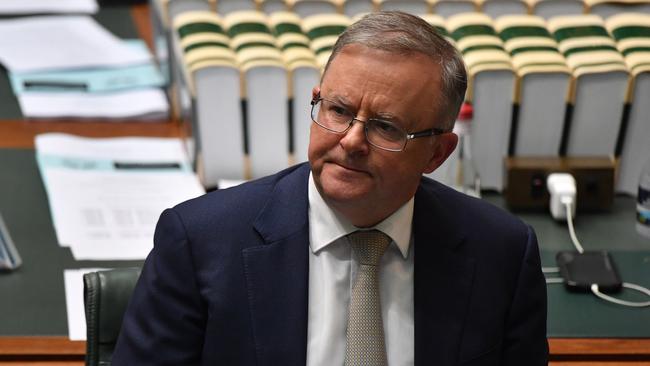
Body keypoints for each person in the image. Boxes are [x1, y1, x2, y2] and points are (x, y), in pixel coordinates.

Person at [113, 11, 548, 365]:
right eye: (338, 110)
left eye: (386, 127)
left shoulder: (502, 254)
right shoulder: (199, 242)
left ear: (437, 153)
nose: (352, 141)